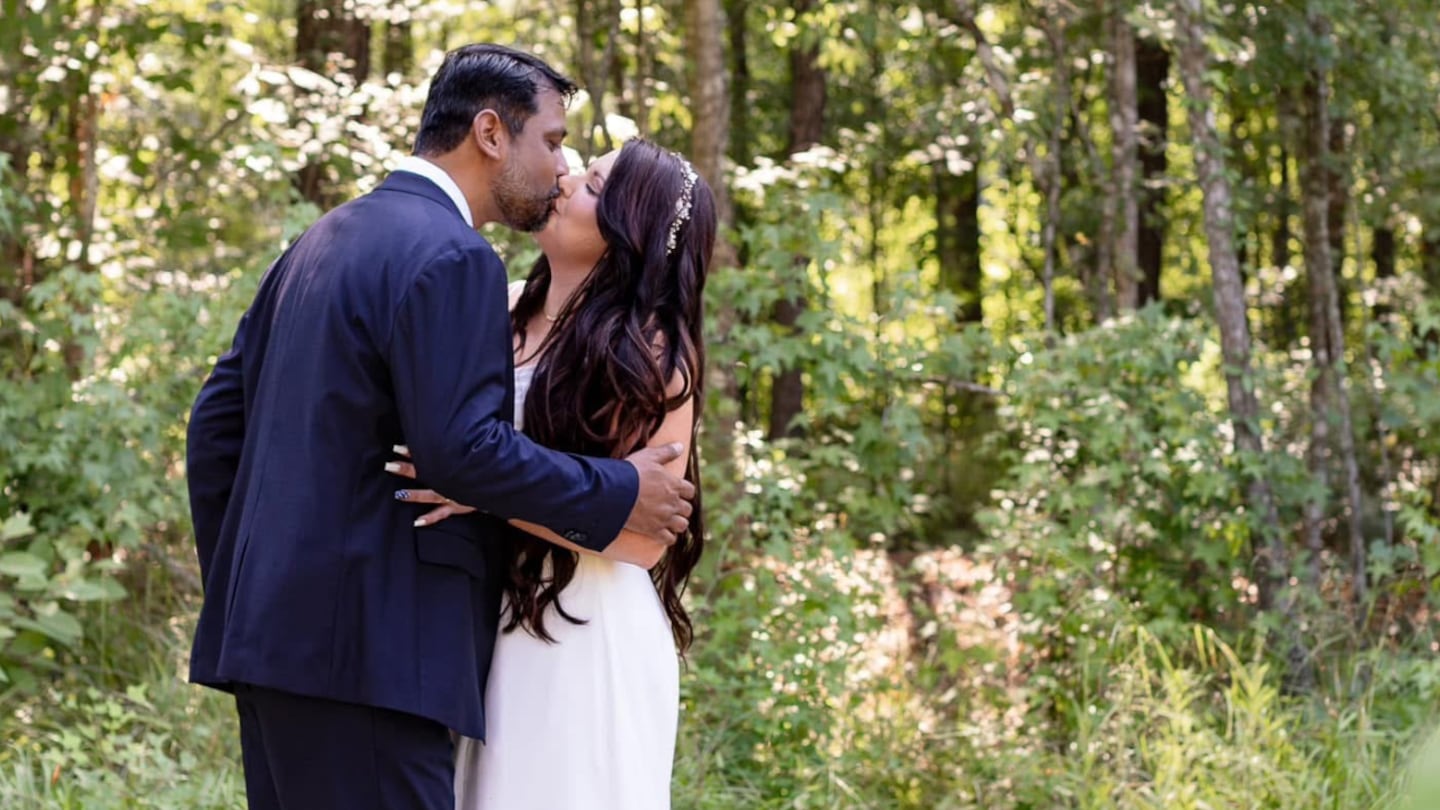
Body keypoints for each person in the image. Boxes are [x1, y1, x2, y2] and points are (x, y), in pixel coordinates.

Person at [184, 45, 695, 810]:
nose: (561, 167)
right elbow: (460, 449)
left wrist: (256, 584)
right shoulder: (455, 257)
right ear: (491, 133)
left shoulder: (320, 240)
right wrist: (620, 488)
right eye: (552, 142)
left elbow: (215, 425)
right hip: (372, 660)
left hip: (269, 649)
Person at [388, 138, 716, 809]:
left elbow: (641, 537)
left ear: (629, 235)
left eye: (593, 187)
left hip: (583, 631)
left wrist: (476, 487)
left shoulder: (649, 354)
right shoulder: (499, 305)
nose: (564, 181)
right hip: (486, 612)